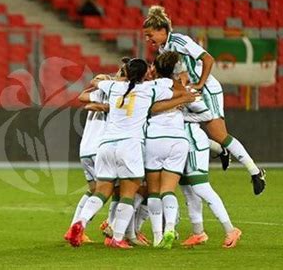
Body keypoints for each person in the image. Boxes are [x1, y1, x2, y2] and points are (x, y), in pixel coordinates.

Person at [142, 5, 266, 195]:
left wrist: (199, 84)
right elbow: (181, 72)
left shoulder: (180, 40)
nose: (148, 39)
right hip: (189, 89)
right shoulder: (163, 48)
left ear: (161, 30)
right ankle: (219, 149)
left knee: (220, 134)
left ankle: (255, 172)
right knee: (177, 124)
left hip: (207, 88)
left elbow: (208, 59)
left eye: (150, 35)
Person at [67, 58, 189, 248]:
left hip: (106, 146)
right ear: (144, 75)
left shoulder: (114, 87)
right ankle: (117, 238)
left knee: (102, 191)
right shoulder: (149, 89)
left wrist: (106, 79)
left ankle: (80, 223)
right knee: (128, 194)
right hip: (129, 146)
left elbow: (94, 83)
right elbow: (178, 91)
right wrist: (184, 97)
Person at [143, 51, 193, 249]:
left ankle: (157, 237)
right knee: (168, 190)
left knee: (154, 191)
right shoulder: (181, 88)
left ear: (156, 67)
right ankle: (170, 227)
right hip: (179, 140)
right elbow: (189, 97)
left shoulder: (148, 86)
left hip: (155, 139)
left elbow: (152, 108)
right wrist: (182, 98)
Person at [63, 85, 108, 244]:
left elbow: (82, 97)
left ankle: (73, 228)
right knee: (113, 189)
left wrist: (96, 82)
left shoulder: (97, 93)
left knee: (93, 190)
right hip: (100, 148)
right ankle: (115, 229)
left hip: (85, 149)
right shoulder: (120, 93)